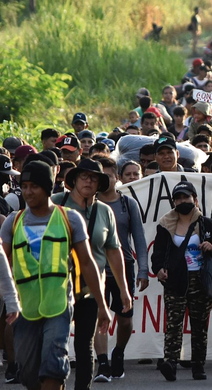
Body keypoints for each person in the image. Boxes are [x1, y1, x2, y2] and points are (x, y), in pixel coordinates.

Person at [3, 161, 112, 390]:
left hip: (59, 306)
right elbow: (2, 266)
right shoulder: (13, 223)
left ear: (48, 188)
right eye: (24, 186)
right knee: (30, 374)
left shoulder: (69, 219)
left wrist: (102, 306)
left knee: (53, 367)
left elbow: (88, 263)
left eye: (34, 186)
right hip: (26, 310)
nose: (28, 192)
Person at [52, 160, 130, 390]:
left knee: (84, 342)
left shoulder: (105, 211)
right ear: (73, 180)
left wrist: (124, 290)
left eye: (94, 178)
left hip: (91, 286)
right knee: (56, 341)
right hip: (57, 284)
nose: (88, 181)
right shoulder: (56, 204)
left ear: (99, 184)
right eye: (83, 176)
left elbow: (114, 252)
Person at [151, 181, 212, 382]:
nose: (182, 201)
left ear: (195, 199)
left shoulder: (208, 224)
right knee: (173, 324)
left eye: (186, 197)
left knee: (199, 325)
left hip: (201, 280)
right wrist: (158, 270)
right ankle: (170, 362)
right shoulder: (165, 224)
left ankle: (198, 365)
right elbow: (158, 254)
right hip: (176, 280)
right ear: (173, 201)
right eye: (178, 198)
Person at [93, 157, 149, 381]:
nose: (105, 180)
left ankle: (118, 352)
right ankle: (103, 363)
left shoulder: (128, 204)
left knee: (125, 320)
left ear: (116, 178)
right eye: (101, 176)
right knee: (99, 316)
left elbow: (140, 239)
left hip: (123, 267)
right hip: (95, 268)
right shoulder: (89, 204)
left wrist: (143, 270)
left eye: (109, 175)